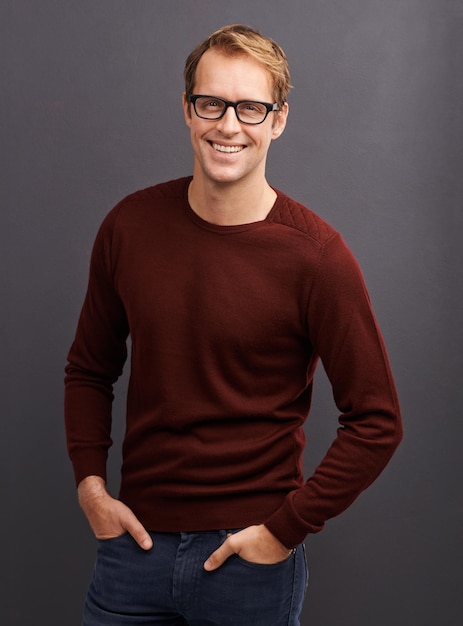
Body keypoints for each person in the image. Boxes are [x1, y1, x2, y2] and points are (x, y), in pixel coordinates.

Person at [64, 24, 403, 626]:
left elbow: (377, 421)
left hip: (250, 562)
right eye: (211, 103)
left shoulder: (317, 256)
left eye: (251, 107)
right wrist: (92, 488)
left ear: (278, 120)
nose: (228, 125)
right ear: (188, 111)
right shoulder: (129, 227)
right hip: (132, 552)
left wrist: (283, 531)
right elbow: (90, 370)